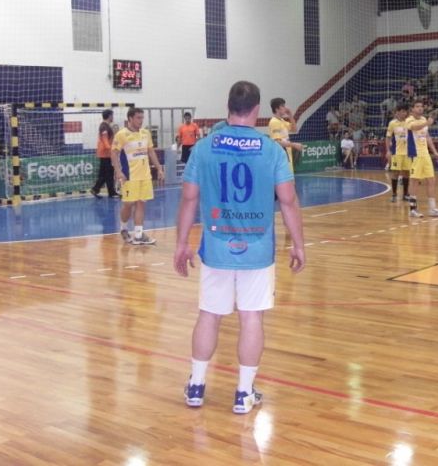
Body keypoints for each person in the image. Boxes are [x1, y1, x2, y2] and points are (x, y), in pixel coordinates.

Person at [173, 81, 305, 414]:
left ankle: (196, 386)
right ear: (257, 110)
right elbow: (288, 201)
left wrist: (181, 243)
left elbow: (189, 198)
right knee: (251, 318)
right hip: (257, 248)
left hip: (216, 246)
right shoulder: (271, 150)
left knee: (209, 314)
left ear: (228, 106)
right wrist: (298, 244)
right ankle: (244, 393)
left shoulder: (204, 148)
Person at [112, 107, 165, 245]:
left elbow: (151, 152)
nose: (141, 121)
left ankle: (138, 235)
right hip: (129, 176)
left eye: (142, 118)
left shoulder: (146, 133)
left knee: (141, 203)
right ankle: (124, 228)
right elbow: (114, 153)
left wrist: (159, 168)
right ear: (130, 118)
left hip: (145, 176)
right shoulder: (121, 135)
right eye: (138, 118)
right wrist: (118, 171)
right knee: (128, 204)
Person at [405, 101, 438, 218]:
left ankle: (432, 209)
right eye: (417, 106)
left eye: (421, 106)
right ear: (412, 109)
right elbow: (414, 127)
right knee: (414, 181)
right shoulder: (409, 120)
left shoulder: (423, 119)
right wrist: (427, 123)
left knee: (431, 180)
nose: (420, 108)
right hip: (415, 154)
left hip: (425, 154)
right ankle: (413, 210)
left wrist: (435, 152)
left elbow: (427, 136)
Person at [385, 103, 412, 202]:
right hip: (396, 153)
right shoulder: (392, 123)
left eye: (405, 112)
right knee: (395, 173)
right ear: (397, 112)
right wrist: (388, 151)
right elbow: (388, 137)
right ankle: (394, 194)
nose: (404, 113)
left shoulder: (409, 122)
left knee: (406, 173)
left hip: (407, 152)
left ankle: (405, 194)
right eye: (402, 111)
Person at [268, 98, 304, 172]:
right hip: (280, 155)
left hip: (287, 153)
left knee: (290, 176)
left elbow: (294, 129)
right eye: (283, 106)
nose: (285, 108)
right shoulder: (274, 122)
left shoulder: (282, 121)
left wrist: (290, 115)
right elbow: (277, 142)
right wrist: (294, 145)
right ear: (277, 109)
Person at [91, 109, 119, 198]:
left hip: (105, 153)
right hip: (106, 154)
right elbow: (105, 140)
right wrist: (111, 150)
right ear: (109, 116)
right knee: (109, 173)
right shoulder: (104, 126)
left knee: (104, 174)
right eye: (112, 115)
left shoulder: (106, 126)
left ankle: (96, 189)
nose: (113, 117)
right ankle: (111, 192)